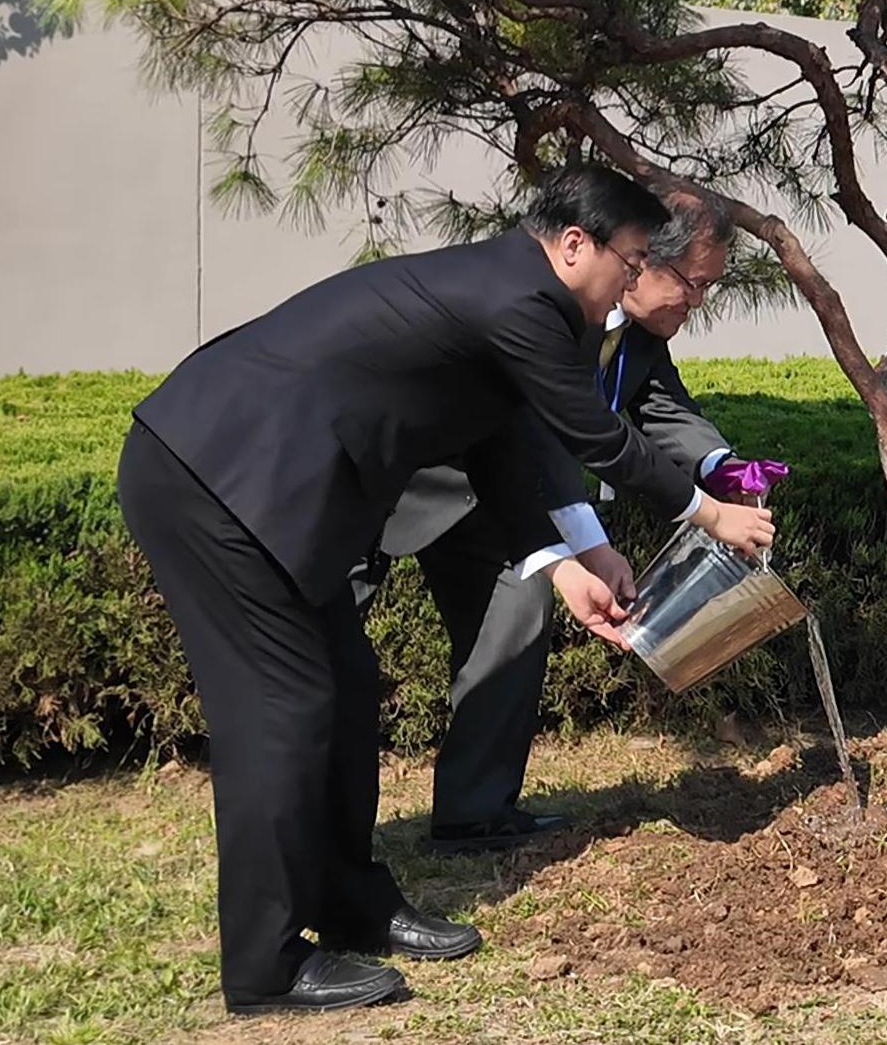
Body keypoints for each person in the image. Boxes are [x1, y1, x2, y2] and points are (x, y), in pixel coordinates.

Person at [115, 165, 775, 1014]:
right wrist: (708, 511)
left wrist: (564, 561)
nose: (634, 278)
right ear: (576, 244)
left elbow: (501, 450)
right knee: (283, 710)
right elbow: (597, 438)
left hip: (263, 484)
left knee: (346, 687)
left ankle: (349, 900)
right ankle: (263, 964)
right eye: (634, 258)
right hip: (216, 477)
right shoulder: (518, 299)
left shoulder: (518, 295)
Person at [357, 204, 761, 853]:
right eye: (693, 282)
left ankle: (474, 814)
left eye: (709, 285)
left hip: (501, 491)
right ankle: (324, 839)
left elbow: (662, 409)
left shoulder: (640, 337)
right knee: (324, 653)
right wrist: (610, 540)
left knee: (517, 610)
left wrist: (723, 469)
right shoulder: (553, 312)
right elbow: (554, 437)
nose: (698, 301)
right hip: (396, 476)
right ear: (640, 262)